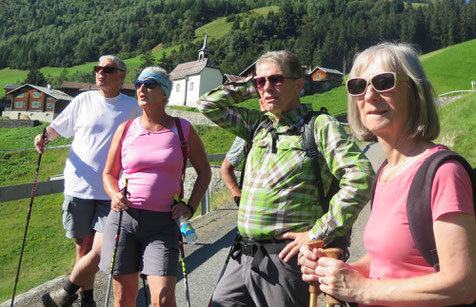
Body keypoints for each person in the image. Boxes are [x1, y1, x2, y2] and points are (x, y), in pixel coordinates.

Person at [299, 42, 476, 306]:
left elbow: (462, 285)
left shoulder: (444, 173)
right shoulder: (385, 172)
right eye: (358, 86)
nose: (369, 95)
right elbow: (389, 261)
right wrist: (339, 274)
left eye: (383, 82)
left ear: (415, 93)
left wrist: (362, 290)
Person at [198, 50, 374, 306]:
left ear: (299, 84)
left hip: (286, 261)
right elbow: (207, 105)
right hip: (243, 256)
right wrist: (253, 83)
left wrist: (317, 233)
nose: (267, 87)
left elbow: (360, 176)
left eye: (277, 80)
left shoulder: (319, 126)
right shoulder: (257, 124)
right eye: (262, 82)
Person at [99, 66, 211, 307]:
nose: (141, 89)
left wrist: (191, 207)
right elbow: (108, 173)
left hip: (163, 223)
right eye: (139, 83)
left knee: (162, 299)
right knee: (123, 298)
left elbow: (204, 172)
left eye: (150, 84)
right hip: (123, 220)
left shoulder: (182, 129)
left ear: (164, 93)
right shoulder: (126, 129)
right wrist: (114, 193)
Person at [35, 55, 142, 307]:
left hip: (112, 190)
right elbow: (57, 127)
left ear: (121, 75)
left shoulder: (132, 107)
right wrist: (43, 138)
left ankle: (66, 293)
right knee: (82, 247)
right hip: (78, 185)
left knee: (102, 249)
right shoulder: (83, 100)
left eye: (108, 69)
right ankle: (87, 300)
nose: (100, 73)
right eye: (98, 68)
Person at [221, 99, 265, 206]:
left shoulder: (306, 128)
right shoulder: (252, 129)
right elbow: (226, 167)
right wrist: (238, 198)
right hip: (253, 207)